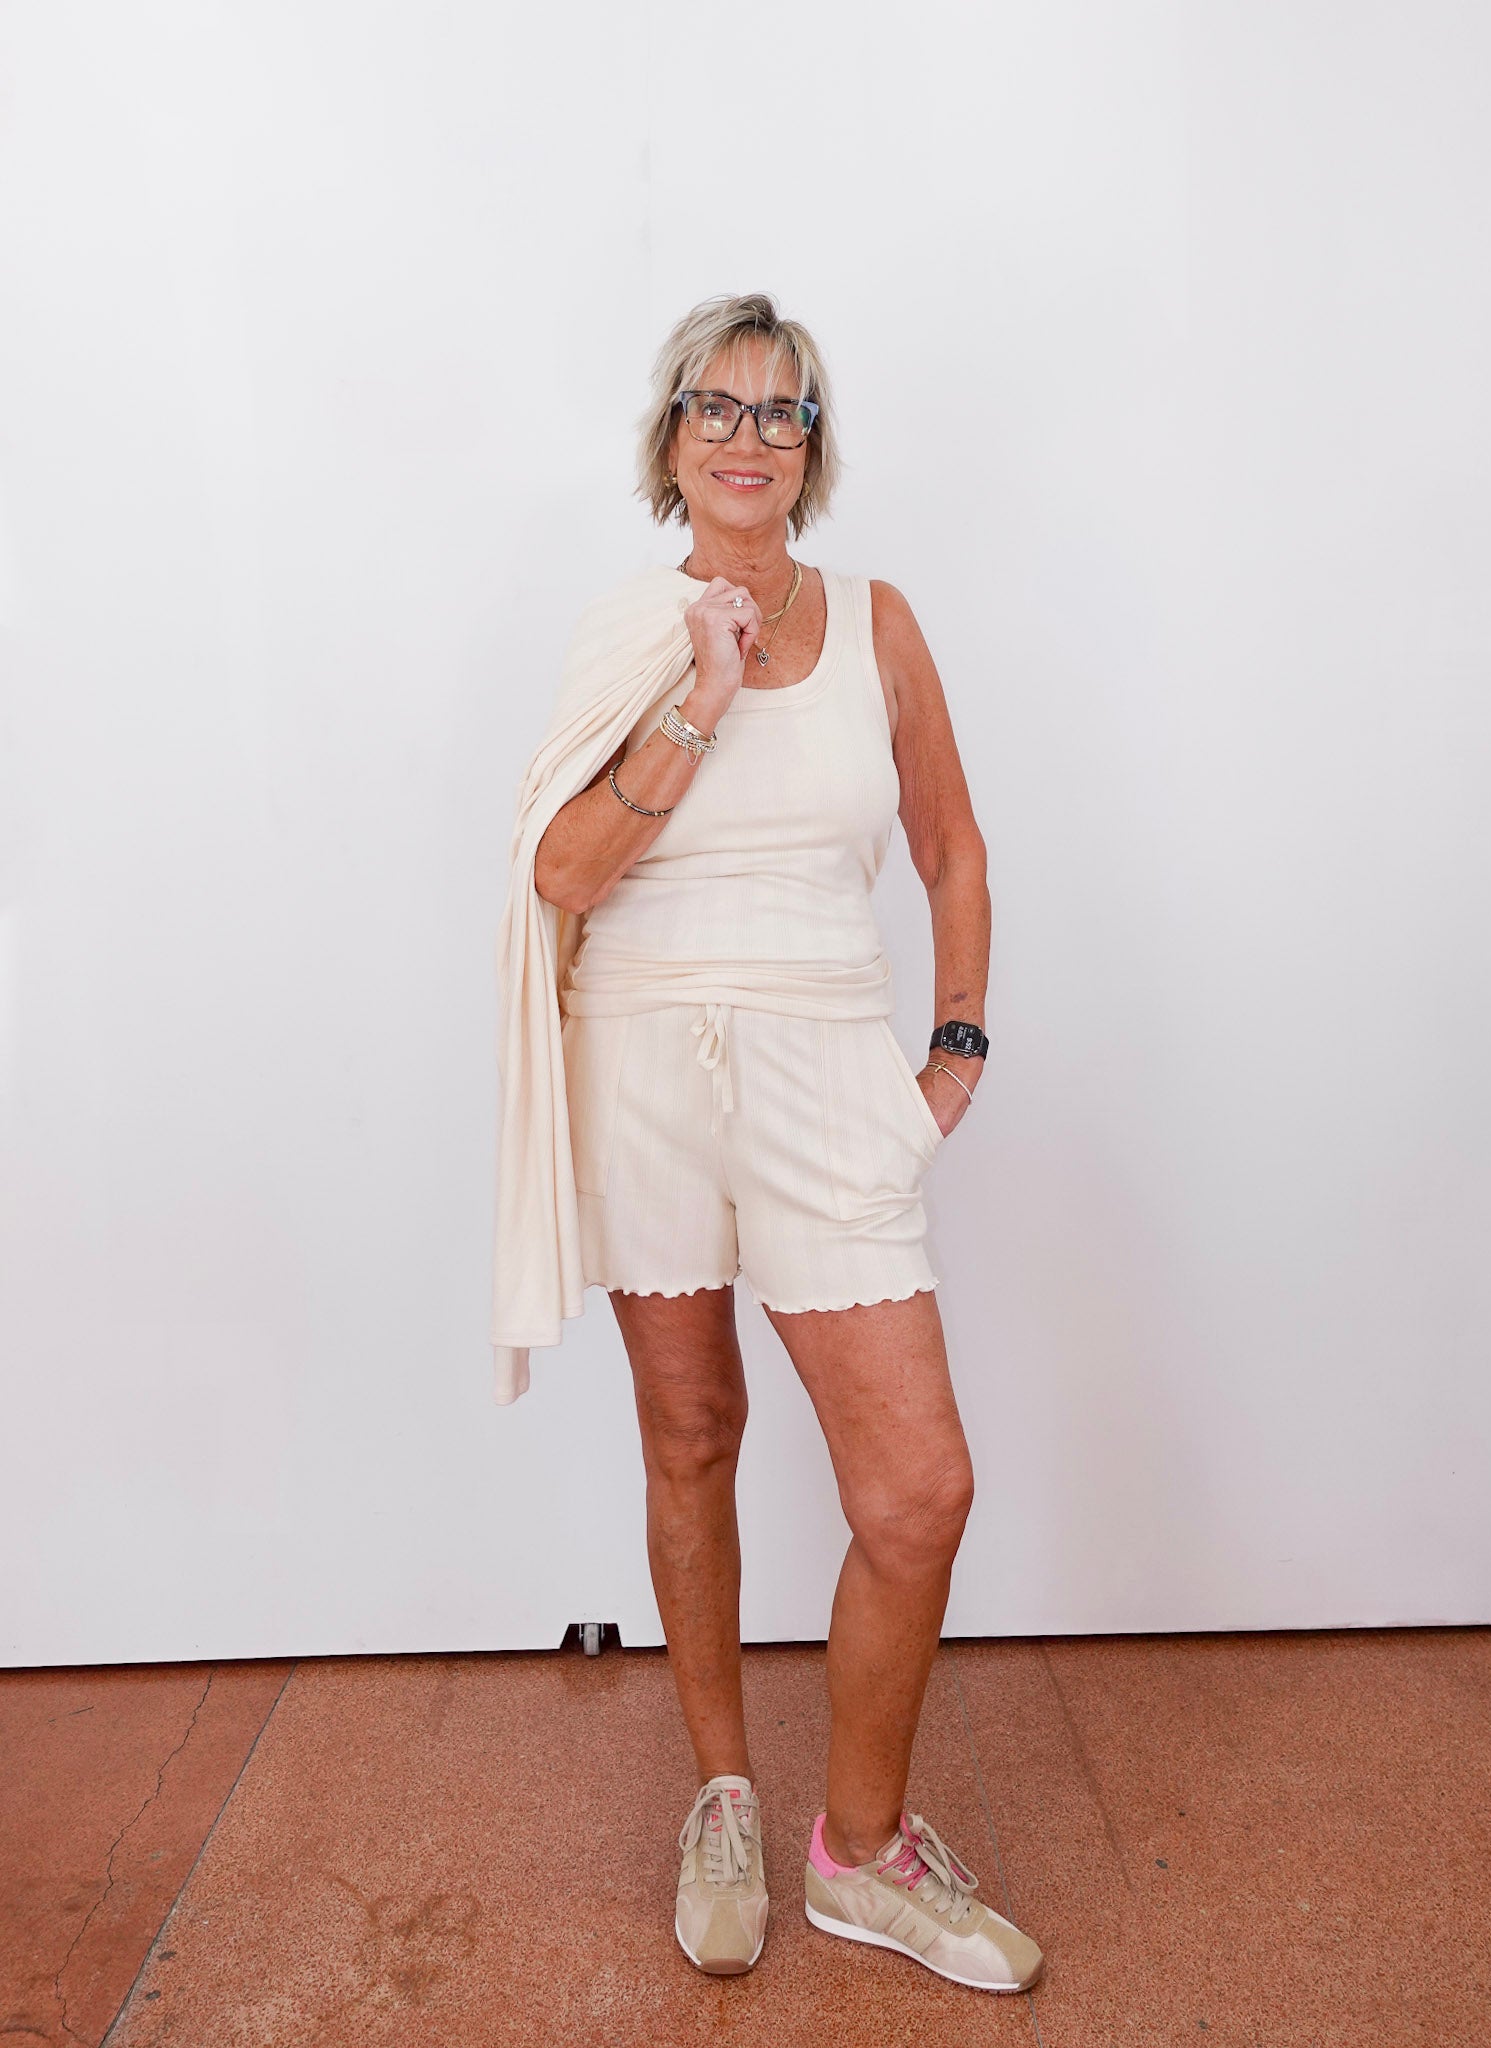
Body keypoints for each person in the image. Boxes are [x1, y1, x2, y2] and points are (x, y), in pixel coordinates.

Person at [527, 291, 1042, 1993]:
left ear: (813, 447)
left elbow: (955, 847)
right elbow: (565, 879)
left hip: (830, 1058)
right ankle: (727, 1796)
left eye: (781, 409)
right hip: (646, 1069)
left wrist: (952, 1048)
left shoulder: (883, 621)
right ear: (671, 442)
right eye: (716, 408)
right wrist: (699, 698)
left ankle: (865, 1850)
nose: (749, 435)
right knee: (692, 1432)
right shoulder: (625, 636)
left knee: (918, 1487)